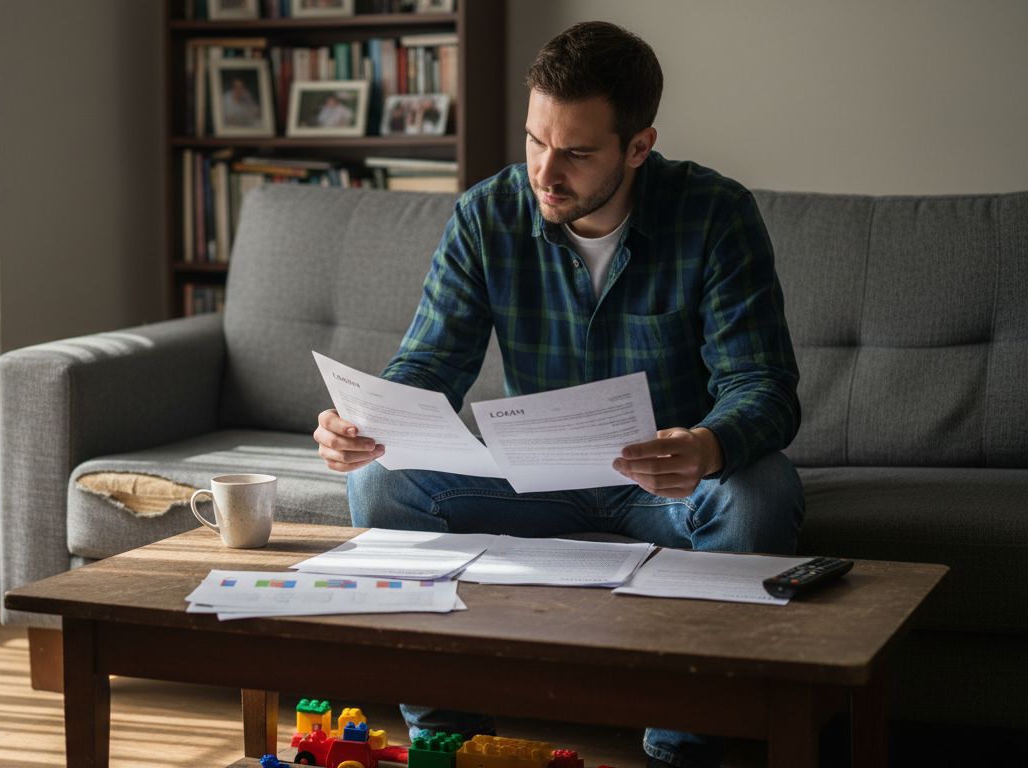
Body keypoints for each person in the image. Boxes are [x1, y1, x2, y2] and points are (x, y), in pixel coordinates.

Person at [312, 20, 803, 768]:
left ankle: (684, 747)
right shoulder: (487, 215)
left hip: (666, 485)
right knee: (380, 479)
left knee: (759, 492)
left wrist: (707, 446)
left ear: (638, 147)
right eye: (535, 141)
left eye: (575, 152)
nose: (545, 171)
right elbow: (431, 361)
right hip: (532, 479)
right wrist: (368, 422)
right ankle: (449, 736)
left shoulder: (714, 214)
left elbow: (762, 385)